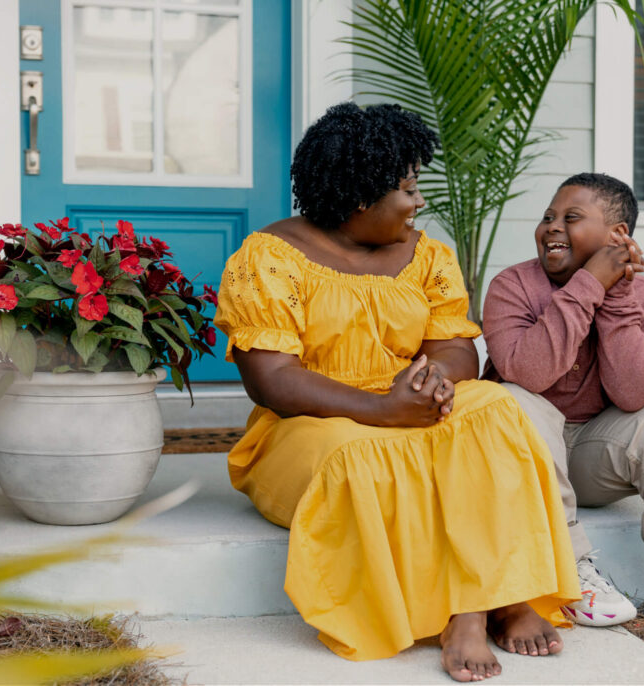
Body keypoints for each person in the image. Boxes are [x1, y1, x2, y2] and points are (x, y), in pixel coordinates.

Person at [213, 103, 580, 681]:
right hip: (309, 421)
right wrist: (382, 409)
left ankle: (482, 603)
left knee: (500, 410)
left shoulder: (426, 254)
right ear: (361, 198)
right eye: (409, 189)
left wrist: (435, 378)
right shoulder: (269, 258)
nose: (420, 202)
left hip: (410, 404)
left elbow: (457, 346)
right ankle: (473, 605)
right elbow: (273, 381)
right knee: (364, 457)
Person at [481, 172, 644, 638]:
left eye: (572, 217)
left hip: (593, 458)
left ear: (617, 237)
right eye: (548, 217)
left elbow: (637, 395)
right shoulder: (513, 286)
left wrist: (616, 296)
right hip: (524, 462)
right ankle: (573, 573)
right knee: (511, 398)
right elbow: (529, 373)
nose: (552, 227)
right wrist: (587, 287)